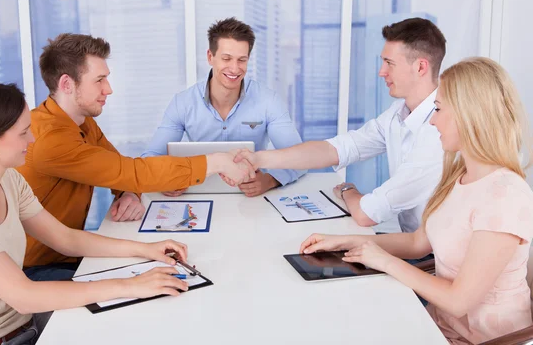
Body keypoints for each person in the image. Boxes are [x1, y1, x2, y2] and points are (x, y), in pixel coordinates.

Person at [0, 79, 195, 345]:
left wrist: (147, 249)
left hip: (26, 325)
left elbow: (65, 239)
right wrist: (130, 285)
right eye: (23, 133)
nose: (33, 138)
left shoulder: (8, 180)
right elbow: (23, 296)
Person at [299, 58, 533, 344]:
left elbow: (459, 301)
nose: (433, 121)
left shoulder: (506, 195)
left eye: (438, 109)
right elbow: (417, 243)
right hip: (437, 325)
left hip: (483, 339)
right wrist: (343, 241)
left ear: (470, 114)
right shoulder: (458, 176)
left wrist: (384, 261)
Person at [17, 33, 253, 282]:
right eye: (99, 80)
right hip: (36, 269)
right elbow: (131, 173)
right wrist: (217, 161)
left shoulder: (80, 122)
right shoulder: (50, 140)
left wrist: (128, 192)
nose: (108, 89)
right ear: (67, 84)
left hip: (69, 254)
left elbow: (115, 168)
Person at [234, 17, 446, 232]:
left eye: (389, 63)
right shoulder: (397, 114)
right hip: (408, 240)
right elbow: (337, 149)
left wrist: (347, 190)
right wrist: (259, 158)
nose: (382, 72)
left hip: (432, 257)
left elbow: (367, 214)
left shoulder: (439, 131)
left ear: (420, 67)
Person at [142, 17, 306, 198]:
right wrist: (163, 179)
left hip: (253, 201)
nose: (235, 69)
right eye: (226, 58)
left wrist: (271, 180)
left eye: (241, 60)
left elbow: (300, 157)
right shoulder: (183, 103)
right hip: (198, 198)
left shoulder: (268, 101)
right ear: (210, 57)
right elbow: (151, 158)